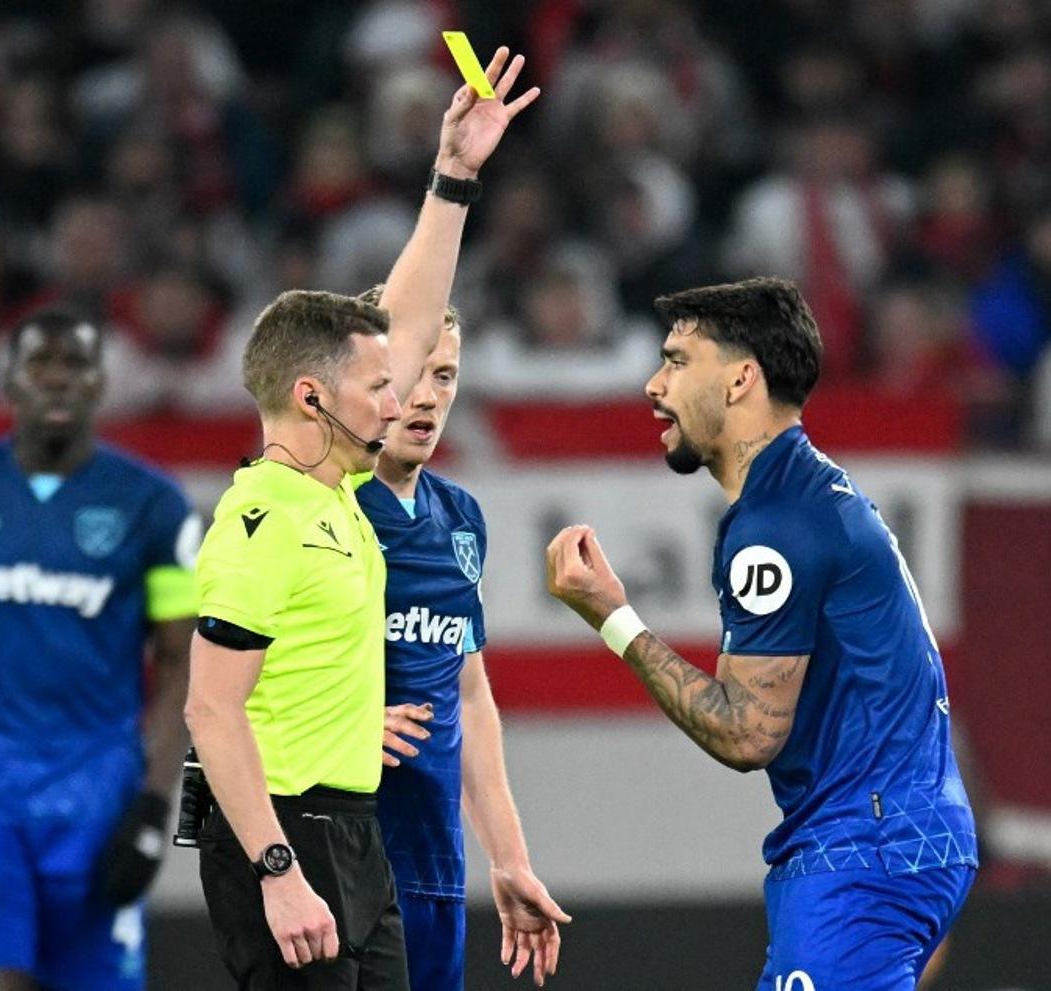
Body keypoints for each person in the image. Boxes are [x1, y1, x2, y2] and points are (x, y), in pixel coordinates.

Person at [183, 47, 539, 990]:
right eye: (377, 388)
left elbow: (411, 321)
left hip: (357, 834)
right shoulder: (260, 520)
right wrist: (277, 871)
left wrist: (455, 177)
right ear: (311, 396)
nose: (398, 403)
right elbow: (210, 710)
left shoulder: (334, 494)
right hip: (287, 836)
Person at [544, 277, 978, 990]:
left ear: (742, 377)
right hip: (893, 835)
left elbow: (749, 733)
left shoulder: (774, 527)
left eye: (678, 361)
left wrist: (613, 620)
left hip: (863, 850)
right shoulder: (812, 494)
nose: (653, 385)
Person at [0, 309, 199, 991]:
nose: (57, 380)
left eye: (75, 366)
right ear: (11, 383)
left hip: (97, 803)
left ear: (100, 383)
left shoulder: (154, 506)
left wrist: (152, 806)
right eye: (39, 365)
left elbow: (180, 664)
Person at [356, 287, 569, 990]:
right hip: (338, 856)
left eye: (444, 376)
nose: (425, 397)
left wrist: (508, 856)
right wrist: (339, 722)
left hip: (433, 865)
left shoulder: (460, 516)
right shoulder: (321, 506)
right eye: (412, 372)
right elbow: (241, 681)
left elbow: (468, 694)